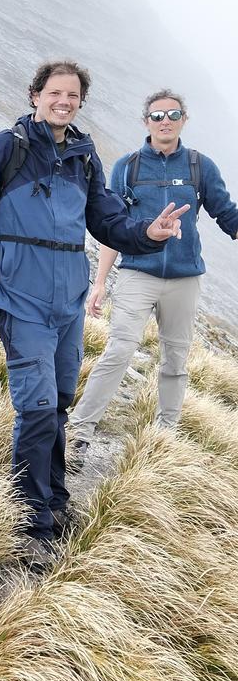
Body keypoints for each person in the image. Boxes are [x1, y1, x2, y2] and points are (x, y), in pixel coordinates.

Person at [0, 60, 188, 561]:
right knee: (33, 407)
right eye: (55, 92)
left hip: (69, 299)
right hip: (18, 293)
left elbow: (107, 221)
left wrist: (147, 232)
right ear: (35, 95)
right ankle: (28, 516)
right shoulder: (4, 149)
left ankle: (51, 498)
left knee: (56, 403)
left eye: (73, 95)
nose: (64, 101)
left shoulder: (83, 154)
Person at [67, 89, 238, 468]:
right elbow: (113, 227)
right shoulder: (128, 167)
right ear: (146, 121)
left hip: (184, 280)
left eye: (173, 114)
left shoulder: (199, 166)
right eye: (157, 116)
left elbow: (227, 214)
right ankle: (79, 432)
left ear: (184, 120)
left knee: (175, 359)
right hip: (137, 274)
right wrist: (100, 282)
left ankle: (164, 435)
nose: (165, 121)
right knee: (119, 349)